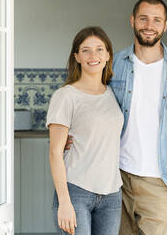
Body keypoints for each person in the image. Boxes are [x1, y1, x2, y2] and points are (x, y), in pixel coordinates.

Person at [110, 0, 167, 235]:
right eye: (144, 18)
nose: (149, 25)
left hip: (159, 181)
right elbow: (95, 108)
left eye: (157, 20)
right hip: (117, 178)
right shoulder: (113, 64)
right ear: (133, 20)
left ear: (165, 25)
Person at [46, 26, 124, 235]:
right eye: (86, 50)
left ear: (108, 55)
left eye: (100, 49)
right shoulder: (65, 96)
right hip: (76, 191)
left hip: (112, 193)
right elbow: (55, 152)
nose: (93, 55)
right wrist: (64, 202)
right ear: (77, 57)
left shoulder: (112, 93)